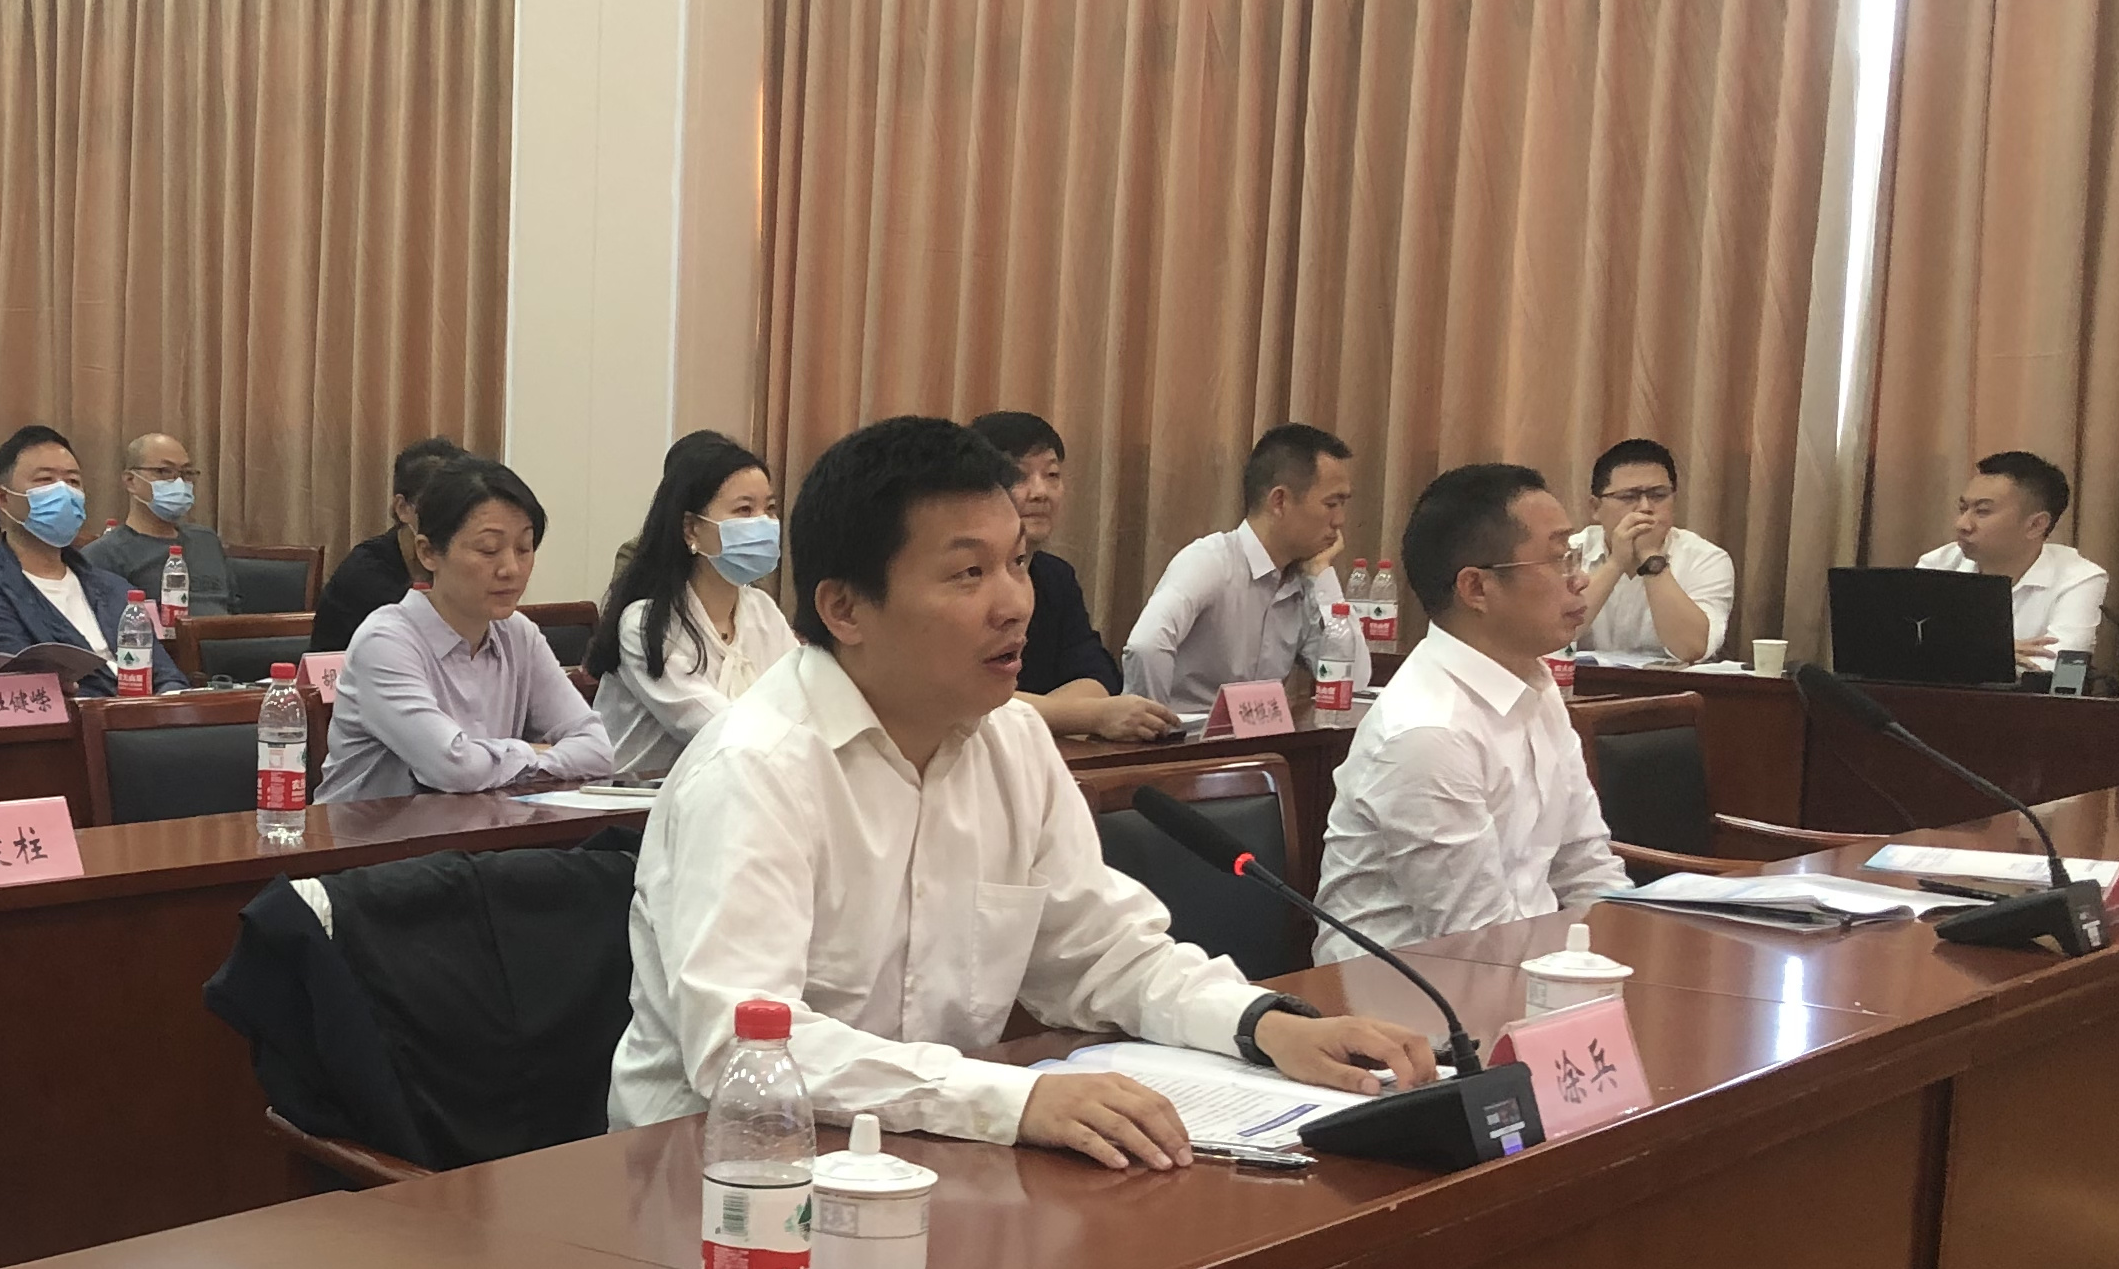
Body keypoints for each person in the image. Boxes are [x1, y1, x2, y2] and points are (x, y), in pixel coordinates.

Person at [612, 415, 1435, 1157]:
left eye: (1016, 563)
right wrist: (1012, 1099)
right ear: (845, 609)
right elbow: (744, 1044)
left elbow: (1102, 953)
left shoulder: (1013, 744)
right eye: (968, 574)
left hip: (926, 1157)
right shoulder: (755, 769)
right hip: (718, 1178)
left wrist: (1262, 1024)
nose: (1014, 604)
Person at [1316, 462, 1630, 959]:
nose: (1581, 579)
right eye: (1559, 560)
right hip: (1407, 990)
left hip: (1524, 967)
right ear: (1476, 588)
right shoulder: (1426, 732)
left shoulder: (1536, 683)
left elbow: (1585, 866)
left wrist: (1628, 955)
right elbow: (1477, 941)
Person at [318, 458, 614, 802]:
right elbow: (454, 768)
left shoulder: (518, 634)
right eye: (489, 550)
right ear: (428, 553)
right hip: (370, 833)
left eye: (524, 548)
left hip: (481, 828)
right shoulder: (385, 642)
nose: (511, 568)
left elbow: (598, 749)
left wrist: (501, 758)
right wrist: (532, 751)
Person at [587, 431, 797, 779]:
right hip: (637, 804)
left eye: (770, 509)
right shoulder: (645, 624)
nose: (763, 523)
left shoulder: (762, 610)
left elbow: (803, 703)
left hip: (738, 789)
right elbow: (720, 731)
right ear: (691, 529)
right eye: (744, 510)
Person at [1121, 422, 1359, 707]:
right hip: (1187, 732)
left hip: (1261, 735)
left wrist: (1323, 577)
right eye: (1331, 504)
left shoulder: (1305, 580)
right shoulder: (1209, 562)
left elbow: (1354, 681)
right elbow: (1145, 647)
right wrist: (1154, 726)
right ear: (1279, 501)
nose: (1340, 520)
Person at [970, 407, 1171, 741]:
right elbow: (966, 700)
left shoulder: (1055, 577)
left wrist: (1032, 721)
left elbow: (1097, 675)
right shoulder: (962, 580)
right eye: (1019, 476)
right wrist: (1087, 716)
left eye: (1052, 475)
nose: (1040, 492)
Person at [0, 426, 186, 693]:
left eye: (73, 481)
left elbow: (167, 674)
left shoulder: (113, 587)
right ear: (3, 498)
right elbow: (28, 691)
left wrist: (171, 701)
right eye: (45, 480)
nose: (63, 492)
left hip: (144, 715)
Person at [1917, 452, 2104, 666]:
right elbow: (1907, 653)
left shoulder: (2079, 578)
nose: (1962, 524)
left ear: (2035, 525)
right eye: (1963, 509)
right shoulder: (1938, 564)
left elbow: (2059, 667)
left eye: (1982, 511)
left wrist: (1959, 652)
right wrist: (1990, 652)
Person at [1568, 438, 1733, 663]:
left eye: (1658, 495)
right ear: (1596, 508)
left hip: (1667, 683)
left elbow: (1692, 649)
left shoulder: (1706, 559)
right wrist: (1616, 563)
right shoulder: (1568, 553)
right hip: (1579, 681)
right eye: (1628, 497)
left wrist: (1651, 557)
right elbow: (1548, 636)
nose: (1645, 508)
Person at [313, 437, 462, 653]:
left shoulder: (455, 562)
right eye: (440, 505)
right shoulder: (365, 573)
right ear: (403, 508)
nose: (452, 518)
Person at [80, 432, 231, 618]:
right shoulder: (103, 555)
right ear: (131, 481)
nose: (179, 482)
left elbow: (234, 608)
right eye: (164, 472)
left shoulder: (206, 540)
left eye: (186, 473)